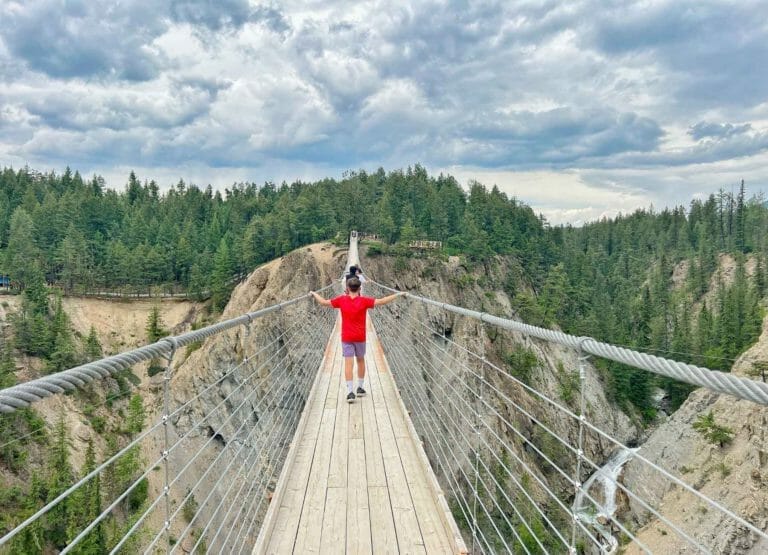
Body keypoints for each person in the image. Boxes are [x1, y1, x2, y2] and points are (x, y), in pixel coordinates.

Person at [311, 277, 406, 403]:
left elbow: (323, 302)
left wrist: (313, 293)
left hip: (347, 337)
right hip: (360, 337)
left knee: (348, 364)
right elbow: (382, 301)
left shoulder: (341, 300)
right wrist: (398, 294)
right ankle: (360, 388)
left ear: (347, 288)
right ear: (360, 289)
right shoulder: (364, 301)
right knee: (360, 361)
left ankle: (350, 392)